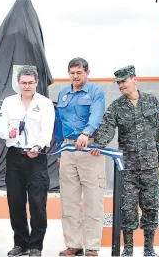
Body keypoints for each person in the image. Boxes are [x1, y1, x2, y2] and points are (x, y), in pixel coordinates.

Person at [92, 65, 159, 257]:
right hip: (128, 167)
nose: (121, 85)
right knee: (127, 207)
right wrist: (99, 144)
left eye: (124, 81)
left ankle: (148, 248)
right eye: (118, 82)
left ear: (134, 79)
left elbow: (158, 132)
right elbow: (107, 127)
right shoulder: (117, 106)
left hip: (150, 166)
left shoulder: (152, 102)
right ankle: (128, 248)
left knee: (150, 206)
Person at [0, 66, 55, 257]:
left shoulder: (45, 104)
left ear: (36, 83)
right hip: (14, 156)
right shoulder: (9, 102)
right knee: (15, 201)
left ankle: (36, 246)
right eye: (23, 83)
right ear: (18, 83)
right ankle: (20, 243)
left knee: (38, 203)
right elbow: (0, 126)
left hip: (36, 157)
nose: (27, 86)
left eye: (30, 82)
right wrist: (8, 133)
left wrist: (37, 147)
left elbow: (47, 131)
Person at [55, 57, 106, 256]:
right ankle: (73, 245)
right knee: (69, 201)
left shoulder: (96, 92)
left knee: (93, 201)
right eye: (72, 73)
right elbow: (59, 122)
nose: (75, 76)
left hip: (89, 149)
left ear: (87, 72)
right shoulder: (63, 94)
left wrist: (86, 133)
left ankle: (92, 247)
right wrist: (60, 146)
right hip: (68, 150)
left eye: (79, 72)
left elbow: (96, 115)